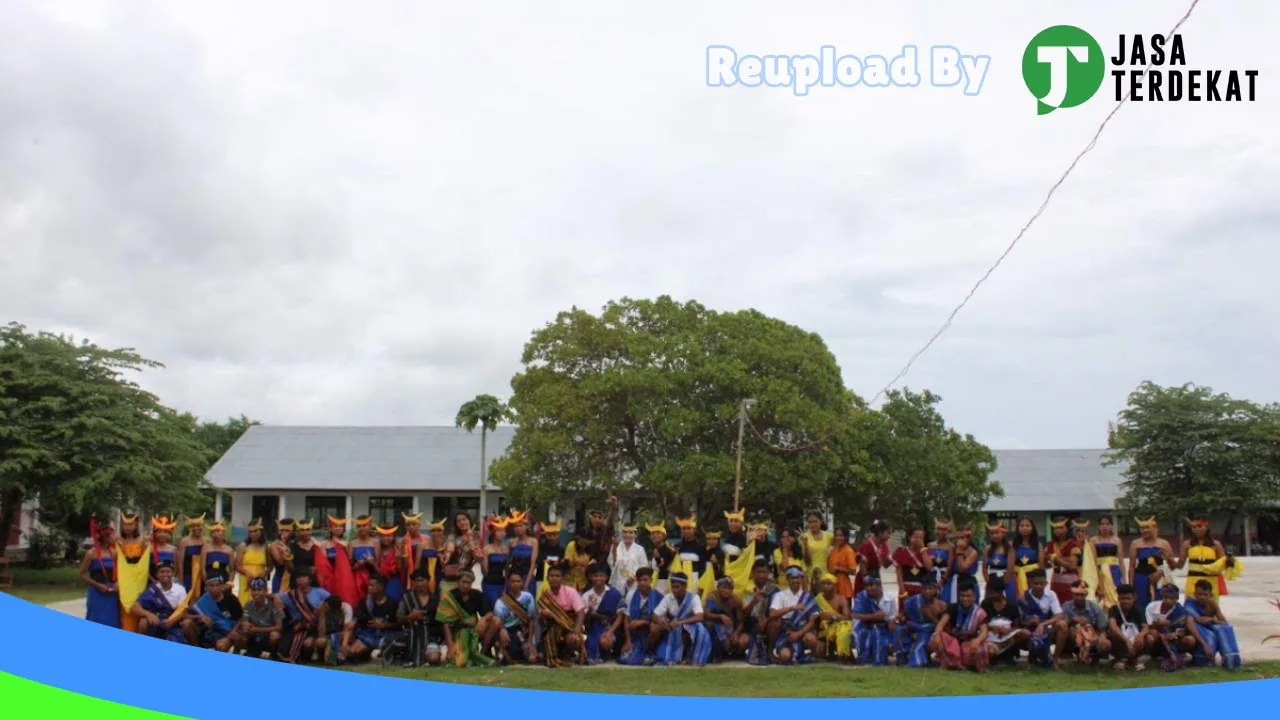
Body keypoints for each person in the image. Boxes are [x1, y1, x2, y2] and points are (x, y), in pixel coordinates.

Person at [436, 570, 498, 667]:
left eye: (468, 583)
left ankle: (483, 652)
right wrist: (450, 646)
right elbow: (445, 622)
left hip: (474, 629)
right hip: (457, 630)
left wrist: (483, 619)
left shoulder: (477, 594)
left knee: (496, 621)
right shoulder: (450, 596)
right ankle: (481, 660)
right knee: (462, 655)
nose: (466, 585)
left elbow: (490, 612)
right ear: (458, 582)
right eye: (463, 582)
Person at [653, 571, 712, 666]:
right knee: (661, 656)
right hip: (672, 630)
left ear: (685, 586)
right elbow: (655, 615)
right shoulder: (668, 597)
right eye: (673, 587)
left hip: (689, 628)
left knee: (699, 628)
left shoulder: (693, 598)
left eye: (677, 587)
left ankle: (691, 657)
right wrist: (662, 621)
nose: (674, 590)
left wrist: (680, 622)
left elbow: (700, 616)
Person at [1184, 578, 1242, 669]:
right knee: (1201, 629)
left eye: (1205, 594)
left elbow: (1225, 623)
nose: (1202, 597)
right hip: (1196, 637)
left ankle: (1231, 659)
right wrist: (1204, 644)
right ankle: (1203, 659)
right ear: (1195, 594)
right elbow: (1189, 625)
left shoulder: (1212, 604)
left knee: (1224, 629)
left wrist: (1212, 620)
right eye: (1199, 594)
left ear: (1210, 595)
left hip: (1210, 632)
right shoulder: (1190, 603)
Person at [537, 563, 585, 666]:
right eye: (552, 576)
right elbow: (541, 622)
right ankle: (556, 656)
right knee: (540, 656)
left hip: (569, 627)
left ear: (562, 578)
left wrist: (576, 630)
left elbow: (580, 612)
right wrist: (545, 615)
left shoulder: (571, 592)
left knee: (573, 639)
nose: (554, 578)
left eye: (557, 576)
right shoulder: (545, 596)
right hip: (552, 629)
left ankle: (568, 655)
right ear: (547, 578)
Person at [933, 581, 988, 671]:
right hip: (953, 642)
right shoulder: (953, 607)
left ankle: (959, 663)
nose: (965, 599)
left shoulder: (979, 612)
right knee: (938, 637)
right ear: (959, 596)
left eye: (968, 596)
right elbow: (941, 624)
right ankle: (954, 663)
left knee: (981, 648)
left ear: (974, 596)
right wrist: (936, 634)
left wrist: (977, 641)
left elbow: (984, 631)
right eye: (962, 596)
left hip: (968, 643)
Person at [769, 566, 820, 664]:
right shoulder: (780, 595)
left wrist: (798, 634)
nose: (795, 580)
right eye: (792, 578)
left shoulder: (808, 597)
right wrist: (792, 608)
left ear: (801, 579)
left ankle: (809, 655)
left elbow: (812, 621)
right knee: (785, 656)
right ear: (788, 579)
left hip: (802, 631)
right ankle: (780, 653)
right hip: (786, 632)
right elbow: (772, 613)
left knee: (811, 638)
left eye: (798, 578)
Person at [130, 561, 189, 643]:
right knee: (143, 622)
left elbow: (183, 611)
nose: (165, 574)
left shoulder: (180, 589)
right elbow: (134, 607)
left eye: (168, 572)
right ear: (157, 575)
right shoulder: (152, 589)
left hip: (173, 622)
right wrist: (148, 614)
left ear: (173, 574)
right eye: (162, 572)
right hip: (157, 621)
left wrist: (172, 621)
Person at [1180, 518, 1239, 599]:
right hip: (1192, 582)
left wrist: (1230, 561)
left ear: (1206, 528)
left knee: (1210, 608)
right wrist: (1169, 560)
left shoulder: (1216, 545)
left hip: (1210, 582)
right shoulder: (1186, 544)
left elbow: (1224, 564)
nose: (1197, 529)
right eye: (1194, 527)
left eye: (1200, 526)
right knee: (1191, 608)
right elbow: (1179, 565)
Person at [346, 574, 400, 662]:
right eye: (368, 585)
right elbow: (357, 617)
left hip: (386, 635)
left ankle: (376, 654)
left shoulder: (393, 603)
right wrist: (353, 622)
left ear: (380, 587)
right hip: (369, 634)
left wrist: (383, 625)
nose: (369, 588)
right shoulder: (366, 601)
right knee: (353, 652)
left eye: (372, 585)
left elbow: (399, 624)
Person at [279, 571, 331, 663]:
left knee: (320, 641)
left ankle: (322, 659)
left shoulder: (319, 592)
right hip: (300, 627)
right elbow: (275, 597)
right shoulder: (291, 595)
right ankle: (300, 659)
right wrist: (275, 600)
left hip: (318, 625)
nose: (301, 579)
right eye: (298, 577)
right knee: (307, 642)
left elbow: (333, 602)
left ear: (310, 579)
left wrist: (322, 609)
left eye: (304, 576)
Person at [1056, 580, 1109, 669]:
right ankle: (1069, 655)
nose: (1079, 597)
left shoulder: (1095, 607)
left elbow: (1102, 629)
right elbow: (1061, 625)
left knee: (1106, 643)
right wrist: (1072, 621)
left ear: (1086, 595)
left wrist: (1101, 639)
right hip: (1073, 637)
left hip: (1092, 636)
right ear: (1072, 594)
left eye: (1081, 595)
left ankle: (1095, 659)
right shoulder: (1066, 606)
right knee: (1072, 632)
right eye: (1076, 595)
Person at [185, 572, 243, 652]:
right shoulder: (203, 600)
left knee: (222, 646)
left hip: (229, 631)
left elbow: (240, 618)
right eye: (211, 586)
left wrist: (229, 636)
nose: (215, 588)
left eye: (217, 585)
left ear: (222, 586)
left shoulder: (231, 599)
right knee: (186, 623)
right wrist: (200, 617)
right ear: (206, 588)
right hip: (210, 631)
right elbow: (185, 615)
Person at [397, 569, 444, 667]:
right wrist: (410, 617)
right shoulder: (407, 598)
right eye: (416, 581)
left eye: (422, 580)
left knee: (434, 658)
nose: (419, 583)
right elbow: (399, 619)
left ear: (428, 581)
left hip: (431, 636)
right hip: (411, 636)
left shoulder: (435, 599)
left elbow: (442, 622)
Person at [618, 566, 664, 666]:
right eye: (640, 580)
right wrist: (628, 640)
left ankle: (650, 652)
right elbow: (626, 619)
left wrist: (643, 622)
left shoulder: (658, 596)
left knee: (655, 628)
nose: (642, 583)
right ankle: (638, 650)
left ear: (651, 580)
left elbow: (661, 620)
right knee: (626, 659)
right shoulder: (631, 594)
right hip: (635, 633)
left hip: (651, 632)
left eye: (645, 580)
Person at [1018, 569, 1063, 668]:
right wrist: (1029, 621)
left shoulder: (1051, 595)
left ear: (1046, 583)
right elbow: (1020, 620)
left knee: (1061, 626)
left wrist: (1043, 624)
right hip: (1029, 628)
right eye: (1036, 583)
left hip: (1046, 626)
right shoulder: (1023, 598)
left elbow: (1059, 615)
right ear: (1030, 583)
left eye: (1041, 583)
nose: (1039, 586)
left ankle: (1054, 660)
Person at [80, 519, 121, 629]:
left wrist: (117, 583)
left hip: (112, 593)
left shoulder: (115, 553)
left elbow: (120, 572)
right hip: (96, 593)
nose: (113, 537)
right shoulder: (91, 553)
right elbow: (82, 574)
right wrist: (98, 585)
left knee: (113, 621)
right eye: (110, 535)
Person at [895, 578, 944, 667]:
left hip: (929, 631)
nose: (927, 592)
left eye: (930, 589)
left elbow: (942, 624)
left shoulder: (941, 604)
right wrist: (901, 620)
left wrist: (930, 616)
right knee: (899, 629)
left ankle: (919, 661)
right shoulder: (914, 600)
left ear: (936, 589)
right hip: (913, 627)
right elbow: (904, 615)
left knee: (922, 640)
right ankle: (902, 656)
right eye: (925, 589)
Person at [1145, 583, 1194, 670]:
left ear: (1177, 598)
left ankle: (1174, 656)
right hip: (1157, 639)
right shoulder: (1151, 607)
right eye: (1165, 597)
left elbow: (1181, 631)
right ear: (1162, 596)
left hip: (1173, 639)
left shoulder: (1180, 610)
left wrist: (1173, 634)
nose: (1168, 600)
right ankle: (1157, 656)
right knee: (1152, 634)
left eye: (1172, 598)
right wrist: (1160, 626)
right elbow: (1148, 626)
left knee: (1190, 640)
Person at [1128, 516, 1174, 610]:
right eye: (1142, 528)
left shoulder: (1164, 544)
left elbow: (1172, 566)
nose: (1144, 531)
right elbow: (1131, 567)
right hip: (1141, 578)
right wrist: (1131, 587)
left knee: (1160, 604)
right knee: (1141, 604)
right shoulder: (1136, 543)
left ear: (1155, 529)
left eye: (1147, 528)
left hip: (1159, 579)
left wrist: (1161, 571)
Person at [493, 572, 538, 665]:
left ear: (522, 583)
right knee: (508, 656)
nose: (516, 584)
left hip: (522, 631)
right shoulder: (501, 602)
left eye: (518, 581)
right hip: (508, 631)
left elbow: (531, 619)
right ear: (509, 583)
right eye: (513, 581)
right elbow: (499, 622)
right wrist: (502, 631)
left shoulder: (528, 597)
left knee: (532, 659)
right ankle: (501, 648)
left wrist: (530, 641)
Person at [582, 563, 623, 664]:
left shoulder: (615, 593)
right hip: (593, 627)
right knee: (591, 642)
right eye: (595, 576)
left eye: (601, 576)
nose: (598, 578)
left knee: (606, 641)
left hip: (610, 626)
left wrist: (610, 631)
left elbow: (620, 617)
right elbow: (585, 621)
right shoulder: (587, 595)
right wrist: (590, 610)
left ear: (607, 577)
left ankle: (606, 654)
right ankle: (596, 657)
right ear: (591, 577)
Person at [979, 577, 1026, 665]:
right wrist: (992, 627)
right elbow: (981, 622)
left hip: (1007, 636)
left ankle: (1010, 654)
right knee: (990, 651)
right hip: (991, 635)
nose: (990, 595)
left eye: (992, 592)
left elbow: (1017, 625)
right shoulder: (986, 604)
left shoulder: (1011, 605)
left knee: (1023, 634)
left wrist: (1008, 630)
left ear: (1000, 592)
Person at [743, 559, 781, 665]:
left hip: (767, 620)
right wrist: (753, 602)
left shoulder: (774, 590)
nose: (761, 575)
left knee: (776, 622)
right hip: (750, 623)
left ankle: (770, 652)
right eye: (758, 572)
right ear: (753, 573)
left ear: (768, 574)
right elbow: (743, 614)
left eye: (764, 572)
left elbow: (777, 611)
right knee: (743, 641)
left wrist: (765, 620)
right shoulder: (747, 588)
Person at [236, 576, 284, 658]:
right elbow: (245, 621)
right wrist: (245, 626)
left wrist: (257, 629)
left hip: (268, 635)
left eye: (259, 590)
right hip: (254, 636)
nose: (256, 593)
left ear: (265, 591)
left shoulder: (274, 604)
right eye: (254, 590)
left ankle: (273, 655)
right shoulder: (248, 605)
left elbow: (279, 627)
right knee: (240, 635)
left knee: (274, 636)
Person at [851, 575, 893, 666]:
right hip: (865, 625)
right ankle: (860, 659)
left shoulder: (889, 598)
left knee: (878, 634)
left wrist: (878, 618)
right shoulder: (862, 596)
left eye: (873, 585)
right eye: (868, 585)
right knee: (856, 631)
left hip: (883, 628)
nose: (870, 588)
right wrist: (875, 616)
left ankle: (879, 660)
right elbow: (855, 615)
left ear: (880, 586)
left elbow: (892, 618)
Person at [705, 577, 749, 661]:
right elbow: (706, 615)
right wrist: (720, 616)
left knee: (744, 641)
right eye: (724, 587)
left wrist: (736, 633)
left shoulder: (736, 600)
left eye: (730, 588)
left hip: (731, 628)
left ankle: (736, 656)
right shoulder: (712, 597)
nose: (727, 591)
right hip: (716, 627)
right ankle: (716, 654)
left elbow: (740, 622)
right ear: (718, 588)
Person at [1107, 583, 1149, 672]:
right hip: (1120, 640)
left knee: (1149, 637)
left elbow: (1145, 627)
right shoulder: (1113, 609)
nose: (1125, 601)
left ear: (1134, 598)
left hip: (1135, 640)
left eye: (1128, 598)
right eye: (1122, 598)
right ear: (1118, 598)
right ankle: (1119, 659)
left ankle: (1136, 660)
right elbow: (1112, 625)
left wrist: (1140, 636)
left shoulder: (1138, 609)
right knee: (1112, 633)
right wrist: (1126, 640)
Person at [815, 573, 852, 661]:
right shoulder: (817, 600)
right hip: (823, 631)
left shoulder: (841, 598)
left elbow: (847, 617)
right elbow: (813, 618)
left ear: (834, 586)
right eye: (823, 583)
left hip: (839, 628)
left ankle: (842, 655)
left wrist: (833, 616)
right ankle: (843, 655)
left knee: (845, 625)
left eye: (829, 583)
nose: (825, 586)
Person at [1091, 516, 1125, 609]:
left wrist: (1124, 579)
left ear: (1111, 526)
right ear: (1098, 526)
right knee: (1102, 595)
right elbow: (1093, 561)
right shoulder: (1093, 540)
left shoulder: (1117, 540)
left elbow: (1121, 561)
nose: (1105, 527)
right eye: (1102, 524)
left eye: (1107, 524)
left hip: (1114, 571)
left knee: (1115, 593)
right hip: (1100, 570)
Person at [1045, 517, 1080, 605]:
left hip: (1070, 582)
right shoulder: (1050, 545)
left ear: (1067, 529)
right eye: (1056, 528)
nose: (1058, 530)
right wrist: (1065, 560)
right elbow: (1045, 563)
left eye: (1061, 527)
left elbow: (1073, 566)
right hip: (1055, 582)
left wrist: (1055, 559)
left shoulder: (1073, 545)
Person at [608, 524, 649, 596]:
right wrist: (614, 547)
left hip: (634, 583)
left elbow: (644, 567)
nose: (627, 535)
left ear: (635, 535)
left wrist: (634, 577)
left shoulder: (640, 549)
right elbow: (612, 563)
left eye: (630, 532)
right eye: (625, 532)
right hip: (618, 582)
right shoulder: (616, 546)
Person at [236, 519, 271, 602]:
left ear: (260, 531)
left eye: (255, 531)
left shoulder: (266, 547)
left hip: (260, 579)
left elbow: (270, 566)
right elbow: (237, 566)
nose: (252, 534)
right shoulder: (243, 546)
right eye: (250, 531)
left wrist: (265, 573)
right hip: (246, 579)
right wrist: (246, 572)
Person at [854, 520, 893, 597]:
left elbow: (885, 565)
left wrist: (893, 558)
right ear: (880, 532)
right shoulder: (867, 545)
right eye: (888, 533)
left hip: (877, 577)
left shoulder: (883, 545)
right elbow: (863, 566)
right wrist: (867, 583)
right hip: (865, 579)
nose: (889, 536)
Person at [200, 522, 236, 604]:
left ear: (223, 533)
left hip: (223, 577)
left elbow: (232, 569)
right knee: (208, 601)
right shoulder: (206, 548)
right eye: (213, 532)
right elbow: (202, 568)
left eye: (218, 531)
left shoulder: (229, 549)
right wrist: (207, 582)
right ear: (211, 534)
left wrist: (229, 583)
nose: (216, 534)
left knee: (225, 601)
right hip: (209, 577)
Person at [480, 515, 511, 606]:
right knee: (494, 607)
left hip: (504, 584)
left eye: (503, 531)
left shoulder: (507, 549)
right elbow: (485, 572)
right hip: (490, 583)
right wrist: (481, 561)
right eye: (499, 531)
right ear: (493, 533)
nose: (501, 534)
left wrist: (507, 585)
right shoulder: (487, 549)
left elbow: (508, 569)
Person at [506, 510, 538, 595]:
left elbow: (533, 564)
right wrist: (507, 581)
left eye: (520, 526)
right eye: (516, 526)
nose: (518, 528)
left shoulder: (533, 541)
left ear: (526, 527)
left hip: (527, 575)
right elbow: (507, 563)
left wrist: (527, 583)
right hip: (514, 577)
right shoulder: (511, 542)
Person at [983, 522, 1016, 603]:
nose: (994, 535)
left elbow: (1010, 568)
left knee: (1010, 601)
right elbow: (984, 568)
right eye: (992, 533)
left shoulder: (1009, 548)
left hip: (1007, 579)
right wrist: (989, 582)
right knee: (990, 602)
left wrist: (1003, 582)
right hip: (992, 579)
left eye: (997, 533)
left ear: (1003, 533)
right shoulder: (988, 549)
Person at [893, 527, 930, 597]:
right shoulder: (900, 552)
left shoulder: (927, 552)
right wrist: (903, 592)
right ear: (909, 537)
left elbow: (929, 567)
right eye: (916, 537)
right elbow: (899, 575)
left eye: (921, 538)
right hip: (906, 587)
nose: (918, 540)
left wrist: (923, 549)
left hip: (922, 589)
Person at [1011, 516, 1043, 597]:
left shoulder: (1038, 544)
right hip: (1016, 577)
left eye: (1027, 525)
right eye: (1022, 526)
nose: (1024, 528)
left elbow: (1041, 565)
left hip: (1033, 578)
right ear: (1018, 528)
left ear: (1032, 528)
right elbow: (1010, 564)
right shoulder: (1013, 545)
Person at [349, 516, 380, 601]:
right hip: (357, 578)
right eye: (359, 526)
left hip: (372, 576)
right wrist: (358, 565)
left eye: (364, 525)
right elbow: (349, 567)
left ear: (369, 526)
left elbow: (378, 566)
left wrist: (372, 562)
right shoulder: (352, 543)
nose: (361, 528)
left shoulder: (375, 542)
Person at [177, 514, 208, 597]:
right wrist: (181, 581)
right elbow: (180, 563)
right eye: (193, 526)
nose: (196, 528)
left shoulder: (208, 541)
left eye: (198, 526)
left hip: (203, 576)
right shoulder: (184, 541)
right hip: (188, 576)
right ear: (190, 528)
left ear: (203, 526)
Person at [673, 515, 707, 591]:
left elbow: (703, 567)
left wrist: (701, 584)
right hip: (679, 580)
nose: (686, 531)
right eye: (684, 529)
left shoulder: (700, 547)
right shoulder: (677, 547)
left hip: (695, 580)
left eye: (689, 528)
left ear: (694, 530)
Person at [801, 512, 832, 590]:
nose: (812, 524)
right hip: (810, 575)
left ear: (821, 521)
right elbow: (807, 562)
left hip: (826, 575)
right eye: (810, 522)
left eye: (815, 521)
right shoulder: (804, 537)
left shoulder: (829, 536)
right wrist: (805, 544)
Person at [536, 520, 565, 597]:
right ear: (546, 535)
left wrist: (560, 562)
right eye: (549, 535)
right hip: (542, 578)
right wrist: (545, 561)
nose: (552, 537)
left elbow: (564, 563)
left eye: (554, 535)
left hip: (557, 580)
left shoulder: (561, 549)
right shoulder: (540, 547)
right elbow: (538, 561)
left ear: (558, 535)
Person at [827, 526, 858, 600]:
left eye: (841, 536)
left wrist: (839, 569)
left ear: (846, 537)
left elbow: (853, 571)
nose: (838, 538)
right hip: (832, 589)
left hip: (844, 589)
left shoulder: (848, 551)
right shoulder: (834, 549)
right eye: (836, 535)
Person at [947, 535, 980, 605]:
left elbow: (962, 568)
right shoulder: (952, 548)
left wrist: (960, 551)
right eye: (958, 537)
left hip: (967, 582)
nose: (960, 540)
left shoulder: (973, 552)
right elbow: (949, 566)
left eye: (962, 537)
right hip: (952, 581)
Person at [374, 524, 403, 603]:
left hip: (394, 579)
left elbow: (400, 570)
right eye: (383, 536)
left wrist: (398, 558)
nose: (385, 538)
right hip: (379, 580)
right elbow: (376, 569)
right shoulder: (377, 549)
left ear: (393, 536)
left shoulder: (397, 548)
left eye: (389, 536)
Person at [287, 520, 319, 589]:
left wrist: (317, 568)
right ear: (298, 532)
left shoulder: (318, 546)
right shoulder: (292, 546)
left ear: (311, 531)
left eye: (308, 529)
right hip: (297, 583)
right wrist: (287, 557)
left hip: (314, 583)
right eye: (302, 530)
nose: (305, 532)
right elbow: (290, 569)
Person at [927, 520, 954, 602]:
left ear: (948, 531)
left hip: (945, 579)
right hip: (932, 577)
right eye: (938, 529)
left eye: (944, 530)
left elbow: (950, 565)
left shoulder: (951, 547)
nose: (940, 532)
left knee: (944, 600)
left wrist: (943, 579)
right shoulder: (930, 545)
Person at [148, 515, 179, 584]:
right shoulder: (149, 549)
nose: (163, 534)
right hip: (153, 582)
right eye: (160, 532)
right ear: (155, 533)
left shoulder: (173, 549)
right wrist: (153, 581)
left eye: (165, 532)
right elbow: (145, 568)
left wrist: (171, 579)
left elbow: (176, 568)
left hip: (169, 582)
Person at [646, 522, 676, 593]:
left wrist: (657, 558)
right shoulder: (655, 550)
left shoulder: (669, 550)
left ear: (664, 536)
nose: (654, 535)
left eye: (658, 533)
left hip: (664, 583)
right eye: (652, 533)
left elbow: (663, 566)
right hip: (654, 582)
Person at [268, 518, 294, 593]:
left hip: (294, 578)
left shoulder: (295, 544)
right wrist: (284, 543)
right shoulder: (274, 545)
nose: (284, 533)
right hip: (279, 578)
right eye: (282, 530)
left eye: (287, 531)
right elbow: (281, 562)